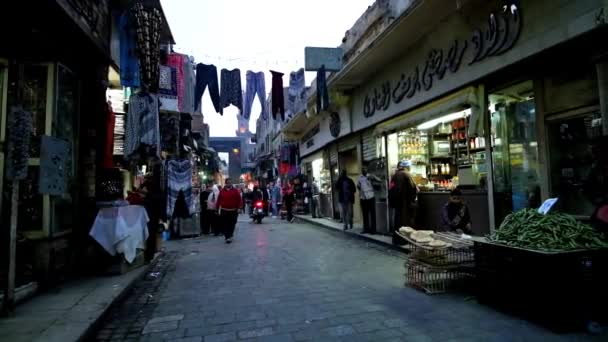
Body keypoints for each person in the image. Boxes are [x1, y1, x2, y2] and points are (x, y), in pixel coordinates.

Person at [390, 160, 418, 242]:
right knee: (404, 221)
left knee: (397, 221)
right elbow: (413, 188)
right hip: (404, 202)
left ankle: (396, 239)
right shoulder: (406, 174)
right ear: (407, 167)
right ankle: (403, 240)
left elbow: (391, 188)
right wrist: (413, 199)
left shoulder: (395, 175)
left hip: (397, 203)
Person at [216, 178, 242, 243]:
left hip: (233, 210)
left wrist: (239, 208)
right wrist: (217, 209)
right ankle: (227, 237)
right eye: (228, 183)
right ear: (226, 183)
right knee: (225, 224)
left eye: (230, 183)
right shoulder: (222, 191)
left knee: (233, 223)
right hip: (224, 210)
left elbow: (239, 200)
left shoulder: (235, 191)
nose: (229, 184)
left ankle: (230, 233)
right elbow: (218, 200)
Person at [357, 168, 377, 234]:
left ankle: (373, 230)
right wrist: (359, 189)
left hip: (371, 197)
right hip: (363, 198)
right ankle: (366, 229)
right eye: (362, 170)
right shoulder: (360, 177)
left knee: (372, 215)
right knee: (365, 215)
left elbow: (379, 181)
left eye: (365, 169)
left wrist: (373, 178)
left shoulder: (370, 176)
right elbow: (358, 186)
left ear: (367, 170)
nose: (364, 170)